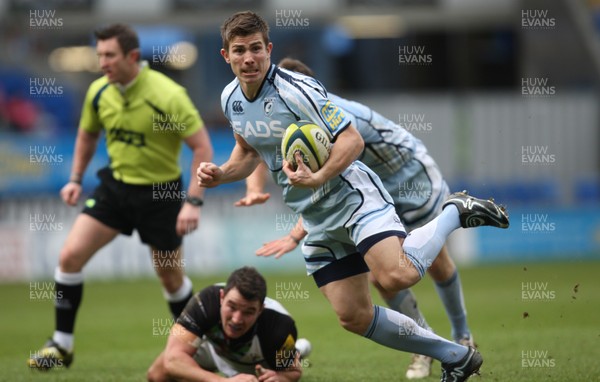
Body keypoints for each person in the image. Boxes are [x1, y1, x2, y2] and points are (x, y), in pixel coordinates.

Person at [198, 11, 508, 382]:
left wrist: (319, 176)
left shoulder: (298, 90)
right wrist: (221, 174)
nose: (248, 58)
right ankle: (457, 357)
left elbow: (352, 140)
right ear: (225, 56)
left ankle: (455, 212)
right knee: (353, 316)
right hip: (315, 216)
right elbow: (248, 152)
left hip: (354, 198)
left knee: (394, 277)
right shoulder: (230, 97)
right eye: (239, 51)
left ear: (268, 49)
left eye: (255, 49)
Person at [240, 57, 476, 379]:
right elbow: (272, 160)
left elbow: (332, 179)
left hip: (409, 176)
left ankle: (462, 335)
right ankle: (429, 348)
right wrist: (262, 195)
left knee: (432, 264)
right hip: (369, 189)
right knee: (381, 279)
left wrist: (296, 233)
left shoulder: (329, 119)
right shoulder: (290, 125)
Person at [28, 23, 213, 370]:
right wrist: (75, 179)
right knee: (69, 256)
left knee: (170, 278)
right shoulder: (100, 92)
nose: (102, 63)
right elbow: (86, 136)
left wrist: (193, 200)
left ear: (131, 56)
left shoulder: (168, 94)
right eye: (99, 55)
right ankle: (61, 345)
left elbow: (201, 146)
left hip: (161, 194)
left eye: (109, 55)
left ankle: (200, 349)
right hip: (115, 188)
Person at [147, 266, 305, 382]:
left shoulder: (280, 328)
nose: (236, 319)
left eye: (248, 312)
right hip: (213, 349)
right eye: (232, 307)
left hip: (256, 363)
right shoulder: (204, 302)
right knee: (156, 376)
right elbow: (172, 359)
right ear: (221, 297)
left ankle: (298, 350)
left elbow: (294, 372)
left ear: (260, 310)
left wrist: (280, 377)